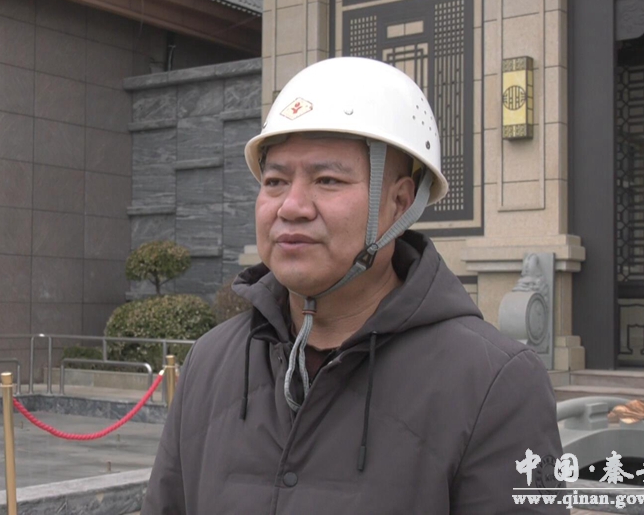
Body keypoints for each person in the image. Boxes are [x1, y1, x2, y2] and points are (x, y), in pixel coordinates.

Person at [143, 57, 564, 514]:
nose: (292, 206)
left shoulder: (493, 383)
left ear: (400, 202)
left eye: (327, 180)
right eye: (275, 181)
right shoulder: (211, 361)